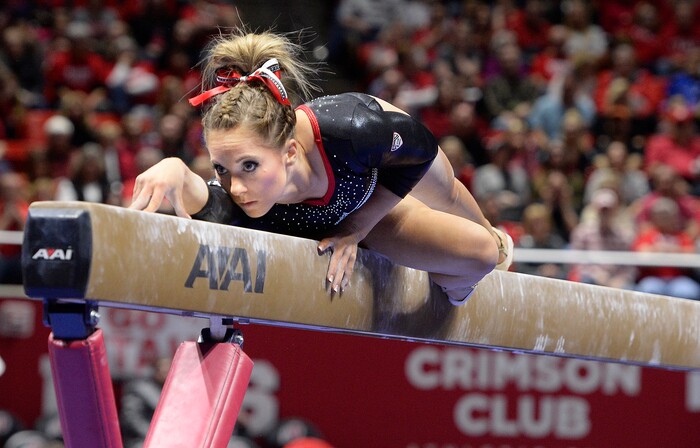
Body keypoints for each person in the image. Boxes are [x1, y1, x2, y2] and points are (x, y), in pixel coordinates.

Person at [129, 29, 513, 306]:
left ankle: (495, 238)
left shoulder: (350, 132)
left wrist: (357, 226)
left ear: (291, 152)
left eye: (249, 165)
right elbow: (205, 201)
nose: (237, 187)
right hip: (351, 224)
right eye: (222, 168)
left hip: (370, 192)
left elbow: (420, 151)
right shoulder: (237, 198)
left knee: (477, 240)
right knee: (471, 258)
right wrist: (175, 169)